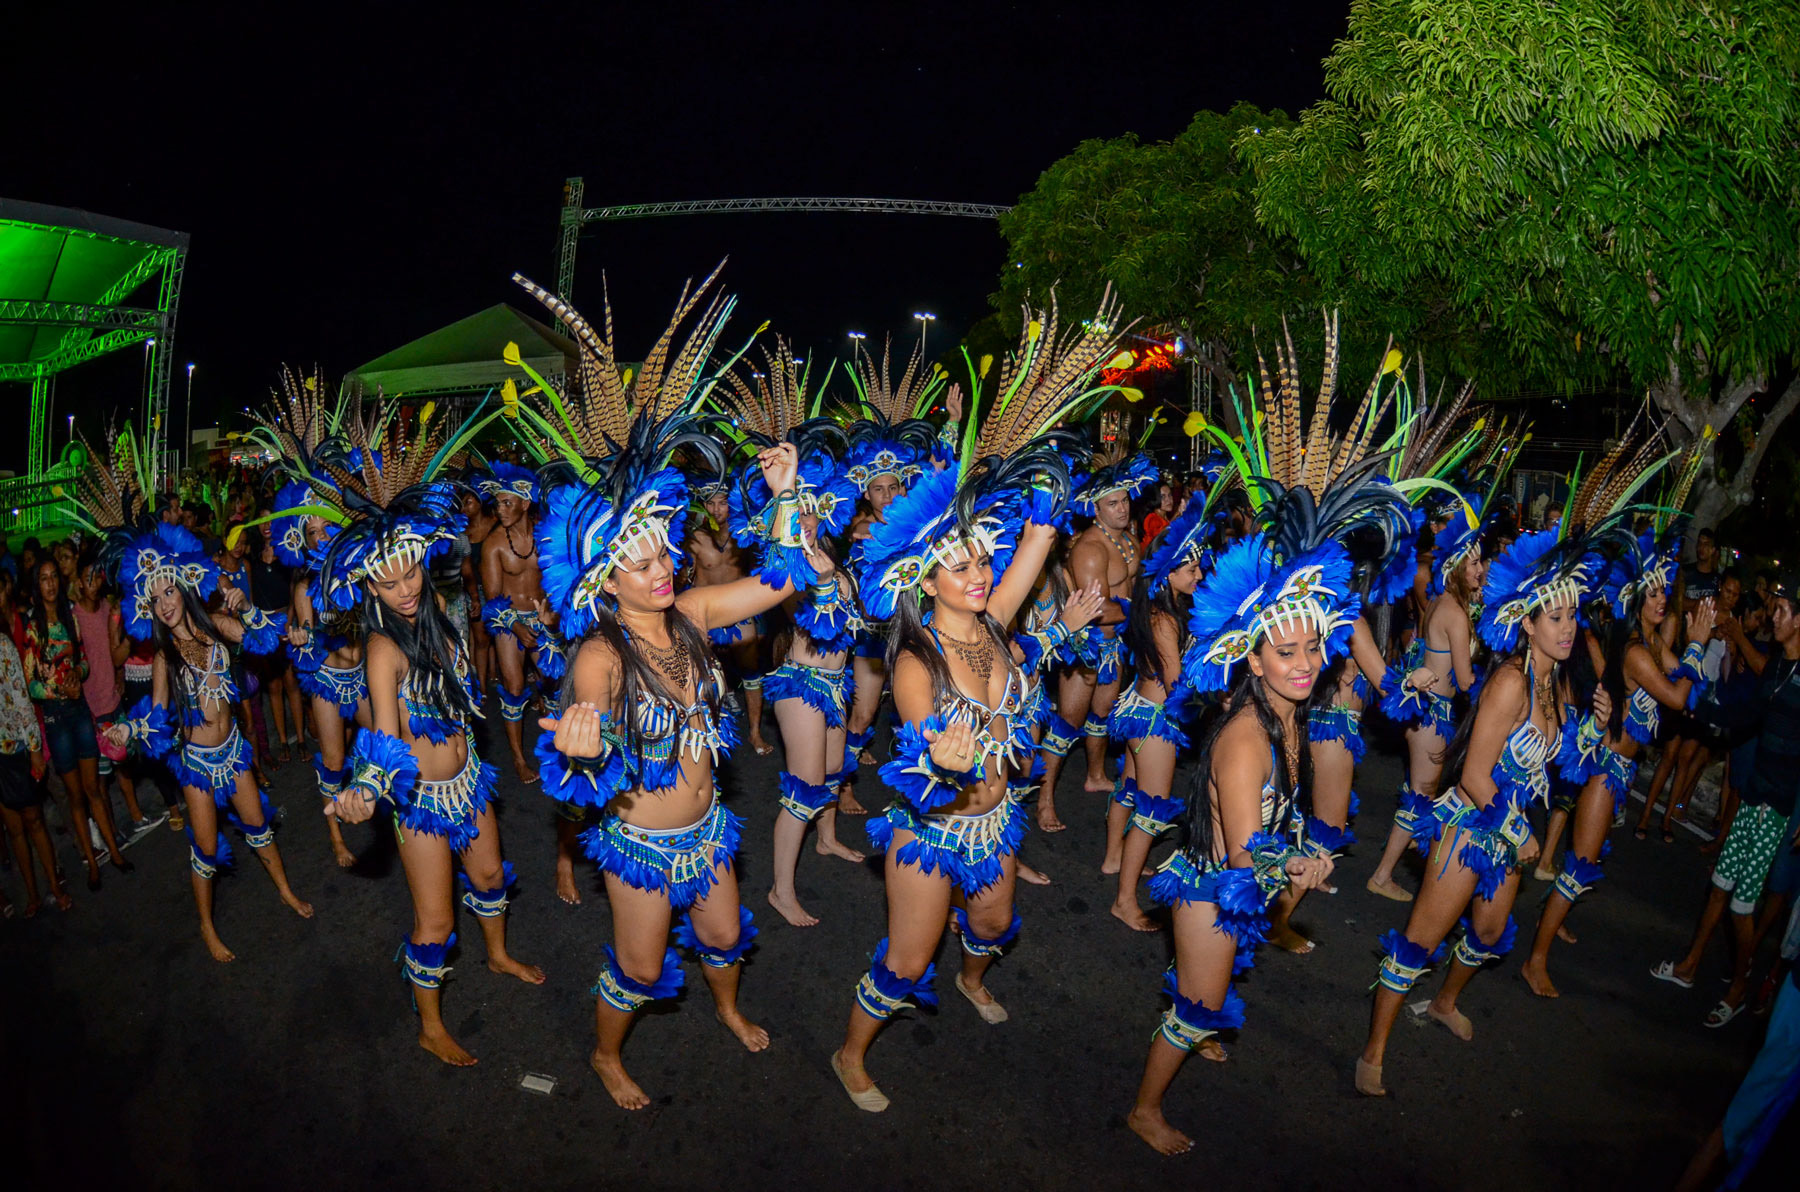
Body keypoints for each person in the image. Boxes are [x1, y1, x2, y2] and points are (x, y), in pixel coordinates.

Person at [831, 293, 1123, 1112]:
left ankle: (972, 976)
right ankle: (852, 1053)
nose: (978, 573)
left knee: (994, 927)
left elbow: (1037, 539)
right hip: (933, 831)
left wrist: (1037, 466)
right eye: (959, 565)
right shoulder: (917, 658)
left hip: (996, 824)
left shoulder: (996, 625)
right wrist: (939, 754)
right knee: (902, 963)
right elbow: (927, 733)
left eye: (979, 560)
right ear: (927, 576)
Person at [519, 262, 786, 1106]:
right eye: (635, 558)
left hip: (708, 828)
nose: (660, 566)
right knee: (637, 966)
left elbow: (779, 584)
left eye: (662, 548)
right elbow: (583, 709)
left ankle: (728, 1009)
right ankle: (605, 1055)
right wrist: (577, 735)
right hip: (639, 843)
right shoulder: (599, 652)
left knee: (722, 935)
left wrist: (787, 497)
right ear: (601, 576)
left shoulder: (696, 613)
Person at [1357, 528, 1608, 1096]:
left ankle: (1444, 1002)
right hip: (1471, 825)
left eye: (1573, 616)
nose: (1567, 628)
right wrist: (1517, 829)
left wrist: (1595, 722)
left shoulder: (1557, 687)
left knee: (1491, 930)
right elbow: (1472, 774)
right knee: (1420, 939)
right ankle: (1373, 1051)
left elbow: (1562, 763)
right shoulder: (1510, 682)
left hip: (1508, 835)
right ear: (1527, 622)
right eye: (1554, 618)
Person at [1125, 525, 1351, 1153]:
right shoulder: (1248, 739)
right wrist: (1299, 863)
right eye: (1285, 652)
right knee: (1196, 1005)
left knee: (1211, 987)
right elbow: (1248, 852)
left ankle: (1200, 1007)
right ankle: (1145, 1109)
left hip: (1236, 881)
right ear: (1253, 660)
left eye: (1312, 645)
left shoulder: (1286, 714)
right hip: (1213, 888)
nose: (1305, 663)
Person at [331, 445, 546, 1066]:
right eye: (388, 580)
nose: (403, 589)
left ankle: (499, 954)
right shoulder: (381, 647)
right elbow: (386, 732)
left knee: (487, 877)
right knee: (435, 925)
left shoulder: (445, 618)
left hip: (470, 782)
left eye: (410, 573)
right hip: (421, 803)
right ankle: (429, 1026)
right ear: (369, 583)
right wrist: (366, 789)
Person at [105, 517, 313, 961]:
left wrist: (248, 608)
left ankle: (286, 890)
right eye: (155, 597)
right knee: (203, 850)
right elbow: (158, 718)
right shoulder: (164, 655)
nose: (164, 604)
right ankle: (206, 926)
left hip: (235, 752)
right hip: (197, 765)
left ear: (183, 586)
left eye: (169, 591)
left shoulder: (217, 624)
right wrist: (128, 728)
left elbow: (265, 639)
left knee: (258, 827)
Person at [1522, 520, 1714, 997]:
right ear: (1634, 599)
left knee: (1580, 862)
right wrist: (1698, 646)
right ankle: (1536, 959)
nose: (1661, 599)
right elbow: (1674, 697)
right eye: (1651, 593)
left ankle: (1553, 922)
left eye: (1663, 591)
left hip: (1622, 768)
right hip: (1607, 768)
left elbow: (1691, 688)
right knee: (1581, 864)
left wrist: (1690, 653)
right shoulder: (1633, 652)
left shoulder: (1653, 645)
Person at [715, 352, 867, 927]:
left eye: (811, 514)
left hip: (837, 682)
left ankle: (825, 839)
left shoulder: (832, 554)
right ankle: (781, 889)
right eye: (796, 514)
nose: (805, 522)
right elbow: (792, 578)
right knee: (803, 787)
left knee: (831, 773)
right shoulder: (792, 568)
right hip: (801, 685)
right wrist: (787, 497)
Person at [1653, 575, 1800, 1026]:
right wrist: (1698, 710)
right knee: (1718, 884)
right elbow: (1747, 716)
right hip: (1754, 793)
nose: (1772, 616)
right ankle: (1689, 967)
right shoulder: (1777, 667)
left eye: (1780, 611)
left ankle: (1739, 987)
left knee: (1741, 905)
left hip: (1776, 810)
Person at [1366, 500, 1490, 900]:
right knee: (1421, 793)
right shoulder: (1454, 611)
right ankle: (1383, 875)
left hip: (1430, 713)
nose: (1479, 569)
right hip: (1432, 717)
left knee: (1423, 792)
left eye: (1481, 562)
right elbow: (1467, 678)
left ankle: (1411, 866)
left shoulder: (1444, 601)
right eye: (1472, 564)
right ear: (1455, 566)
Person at [1035, 448, 1158, 830]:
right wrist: (1142, 611)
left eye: (1124, 500)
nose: (1122, 508)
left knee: (1102, 714)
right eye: (1112, 503)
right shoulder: (1091, 549)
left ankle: (1095, 775)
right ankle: (1044, 800)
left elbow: (1132, 592)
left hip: (1115, 645)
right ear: (1096, 509)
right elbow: (1098, 610)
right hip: (1085, 646)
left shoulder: (1128, 541)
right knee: (1067, 721)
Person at [1104, 499, 1208, 932]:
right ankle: (1125, 900)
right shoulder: (1165, 619)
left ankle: (1114, 857)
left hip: (1135, 707)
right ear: (1168, 573)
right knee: (1153, 809)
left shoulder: (1156, 609)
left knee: (1129, 788)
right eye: (1191, 570)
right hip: (1155, 720)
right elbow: (1174, 681)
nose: (1199, 576)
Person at [24, 557, 129, 888]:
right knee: (75, 797)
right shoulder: (33, 628)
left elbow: (82, 662)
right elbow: (31, 684)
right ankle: (92, 865)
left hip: (80, 711)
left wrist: (76, 678)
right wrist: (60, 687)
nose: (51, 583)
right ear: (36, 586)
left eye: (54, 576)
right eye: (44, 578)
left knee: (93, 788)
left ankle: (114, 852)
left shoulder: (71, 618)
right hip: (57, 719)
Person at [480, 462, 564, 785]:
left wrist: (553, 619)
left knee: (553, 684)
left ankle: (555, 750)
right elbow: (492, 601)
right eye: (497, 503)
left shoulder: (546, 535)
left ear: (525, 504)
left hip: (545, 619)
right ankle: (518, 757)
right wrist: (516, 627)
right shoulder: (493, 545)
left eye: (506, 503)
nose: (500, 510)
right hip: (509, 622)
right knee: (514, 689)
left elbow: (558, 580)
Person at [0, 621, 69, 914]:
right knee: (14, 829)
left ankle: (54, 886)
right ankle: (32, 895)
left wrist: (35, 751)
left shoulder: (2, 644)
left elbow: (21, 698)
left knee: (34, 820)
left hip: (18, 746)